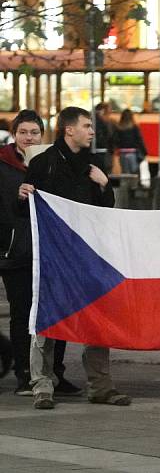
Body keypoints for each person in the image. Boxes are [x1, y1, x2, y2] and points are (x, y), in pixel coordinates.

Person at [19, 106, 130, 409]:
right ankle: (42, 384)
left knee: (96, 320)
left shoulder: (93, 165)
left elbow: (104, 211)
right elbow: (27, 211)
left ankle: (101, 386)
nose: (92, 131)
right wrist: (23, 195)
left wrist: (105, 185)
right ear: (69, 130)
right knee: (46, 319)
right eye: (86, 126)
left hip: (86, 257)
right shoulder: (43, 164)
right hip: (53, 258)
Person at [1, 110, 81, 398]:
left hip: (51, 250)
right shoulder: (3, 163)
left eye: (34, 133)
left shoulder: (52, 161)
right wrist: (16, 197)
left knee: (55, 313)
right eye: (23, 132)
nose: (29, 138)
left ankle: (54, 374)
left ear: (42, 135)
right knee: (23, 314)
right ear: (14, 134)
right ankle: (26, 373)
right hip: (15, 251)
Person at [111, 109, 146, 174]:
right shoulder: (134, 127)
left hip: (122, 153)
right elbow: (139, 140)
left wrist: (116, 148)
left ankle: (125, 184)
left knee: (125, 173)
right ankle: (133, 184)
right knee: (134, 174)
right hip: (133, 153)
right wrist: (144, 152)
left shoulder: (118, 128)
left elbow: (114, 140)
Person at [93, 102, 114, 174]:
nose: (109, 115)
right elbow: (103, 138)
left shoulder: (106, 122)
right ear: (102, 112)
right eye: (108, 112)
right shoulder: (97, 123)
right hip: (102, 152)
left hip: (104, 152)